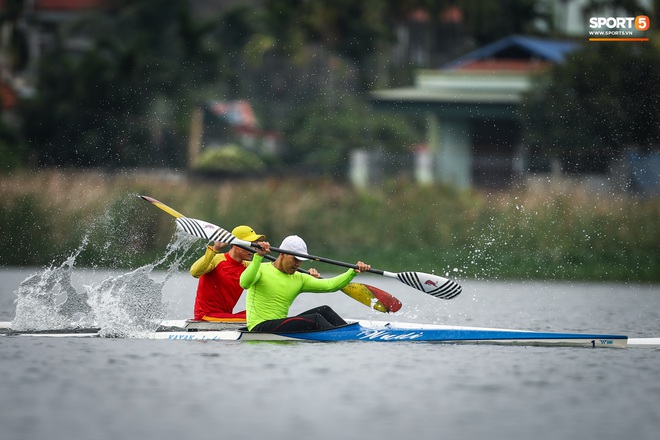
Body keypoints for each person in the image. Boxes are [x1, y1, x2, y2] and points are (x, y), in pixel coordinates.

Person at [239, 235, 371, 332]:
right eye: (295, 259)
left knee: (325, 310)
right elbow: (244, 283)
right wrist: (258, 257)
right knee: (315, 319)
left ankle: (352, 334)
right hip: (259, 326)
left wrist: (352, 272)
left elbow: (330, 285)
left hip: (277, 325)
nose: (298, 263)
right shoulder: (261, 269)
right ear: (282, 254)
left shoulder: (300, 278)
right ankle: (343, 337)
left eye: (301, 260)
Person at [189, 225, 266, 321]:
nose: (253, 250)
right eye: (249, 245)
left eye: (255, 246)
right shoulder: (217, 259)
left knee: (263, 312)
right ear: (236, 244)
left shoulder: (249, 266)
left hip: (225, 316)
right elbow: (194, 272)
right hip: (206, 316)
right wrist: (215, 248)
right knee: (255, 317)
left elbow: (271, 268)